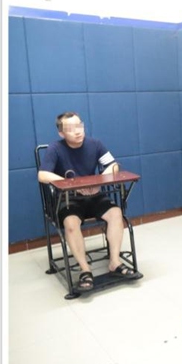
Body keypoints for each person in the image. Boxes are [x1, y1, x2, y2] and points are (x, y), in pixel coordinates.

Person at [38, 111, 141, 292]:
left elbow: (113, 165)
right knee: (71, 223)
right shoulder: (55, 148)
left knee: (116, 213)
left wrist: (100, 181)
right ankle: (85, 270)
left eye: (79, 126)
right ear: (61, 133)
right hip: (69, 198)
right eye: (71, 128)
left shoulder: (95, 144)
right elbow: (43, 175)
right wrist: (73, 185)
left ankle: (115, 262)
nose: (77, 131)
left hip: (94, 196)